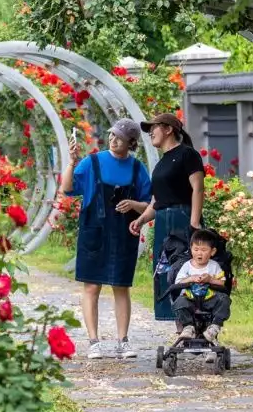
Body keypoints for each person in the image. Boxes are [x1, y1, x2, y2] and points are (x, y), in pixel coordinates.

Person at [61, 118, 150, 358]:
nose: (113, 139)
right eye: (112, 135)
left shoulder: (137, 168)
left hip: (124, 235)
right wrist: (71, 162)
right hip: (94, 232)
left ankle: (123, 340)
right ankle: (93, 342)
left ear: (130, 143)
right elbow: (67, 189)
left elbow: (150, 205)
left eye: (119, 137)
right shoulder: (92, 162)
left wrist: (134, 204)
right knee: (91, 286)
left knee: (121, 287)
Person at [128, 113, 205, 322]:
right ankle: (182, 329)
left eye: (154, 127)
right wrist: (142, 219)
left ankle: (199, 328)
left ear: (169, 129)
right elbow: (157, 200)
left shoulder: (187, 155)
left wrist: (195, 223)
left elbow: (198, 188)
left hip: (183, 219)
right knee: (167, 274)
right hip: (163, 221)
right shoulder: (162, 162)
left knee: (189, 272)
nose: (151, 132)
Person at [170, 227, 230, 340]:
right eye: (196, 249)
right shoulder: (187, 265)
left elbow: (222, 283)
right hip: (190, 298)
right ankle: (188, 327)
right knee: (178, 302)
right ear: (191, 249)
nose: (199, 253)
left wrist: (210, 280)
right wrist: (191, 278)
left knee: (224, 299)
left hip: (209, 298)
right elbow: (178, 282)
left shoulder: (214, 266)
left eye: (203, 250)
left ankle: (214, 327)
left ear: (212, 252)